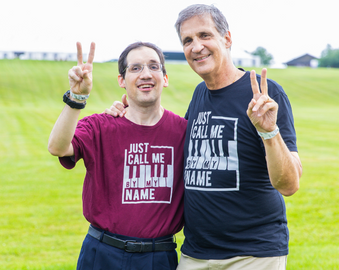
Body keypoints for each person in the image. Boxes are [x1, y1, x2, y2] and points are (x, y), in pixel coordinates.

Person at [106, 4, 303, 270]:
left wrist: (269, 131)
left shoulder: (264, 96)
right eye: (187, 40)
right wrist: (128, 113)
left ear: (227, 39)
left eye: (204, 35)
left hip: (252, 254)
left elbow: (289, 185)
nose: (196, 46)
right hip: (195, 254)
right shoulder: (200, 95)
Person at [47, 41, 187, 270]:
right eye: (135, 68)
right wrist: (76, 97)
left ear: (165, 78)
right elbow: (58, 147)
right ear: (122, 80)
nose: (146, 74)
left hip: (158, 257)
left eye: (154, 67)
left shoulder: (183, 132)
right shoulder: (100, 126)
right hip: (102, 253)